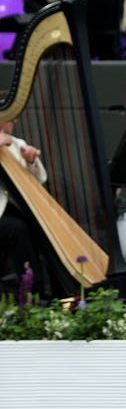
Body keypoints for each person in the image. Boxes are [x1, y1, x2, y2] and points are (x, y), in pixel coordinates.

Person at [0, 116, 47, 292]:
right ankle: (33, 289)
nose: (16, 121)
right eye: (11, 117)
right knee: (17, 228)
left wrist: (31, 161)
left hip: (11, 210)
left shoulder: (17, 143)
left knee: (38, 224)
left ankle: (52, 288)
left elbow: (41, 179)